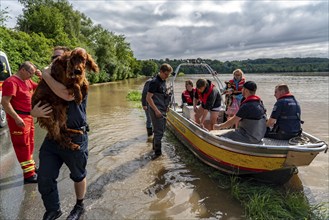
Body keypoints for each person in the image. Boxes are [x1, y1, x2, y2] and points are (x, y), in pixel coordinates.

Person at [37, 48, 89, 220]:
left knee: (78, 175)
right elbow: (35, 101)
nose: (56, 60)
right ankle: (53, 209)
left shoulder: (78, 77)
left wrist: (45, 75)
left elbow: (67, 95)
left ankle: (79, 205)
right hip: (53, 137)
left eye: (60, 57)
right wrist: (32, 113)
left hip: (75, 137)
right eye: (53, 57)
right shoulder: (51, 81)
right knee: (44, 176)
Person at [1, 61, 45, 183]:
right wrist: (16, 118)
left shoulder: (27, 80)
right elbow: (5, 102)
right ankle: (28, 175)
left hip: (28, 116)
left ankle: (31, 168)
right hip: (19, 118)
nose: (32, 76)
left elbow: (42, 88)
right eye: (31, 73)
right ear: (23, 70)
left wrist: (40, 75)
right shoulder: (11, 82)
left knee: (30, 143)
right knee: (22, 145)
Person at [146, 63, 173, 159]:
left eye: (169, 75)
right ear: (161, 71)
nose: (167, 76)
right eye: (166, 74)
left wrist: (167, 106)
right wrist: (157, 111)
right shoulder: (155, 82)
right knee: (159, 132)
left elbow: (164, 95)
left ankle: (154, 149)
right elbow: (148, 98)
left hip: (162, 109)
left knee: (160, 130)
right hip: (156, 110)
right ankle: (157, 155)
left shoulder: (163, 81)